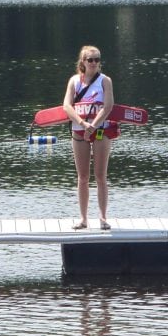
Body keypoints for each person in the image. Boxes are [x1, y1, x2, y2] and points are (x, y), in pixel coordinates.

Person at [63, 44, 115, 229]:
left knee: (101, 175)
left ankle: (102, 217)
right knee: (83, 177)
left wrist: (93, 126)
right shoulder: (74, 81)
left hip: (100, 130)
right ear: (83, 62)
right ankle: (84, 219)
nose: (94, 63)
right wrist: (84, 124)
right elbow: (67, 106)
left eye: (97, 60)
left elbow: (108, 106)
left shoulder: (105, 81)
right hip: (80, 131)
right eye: (90, 60)